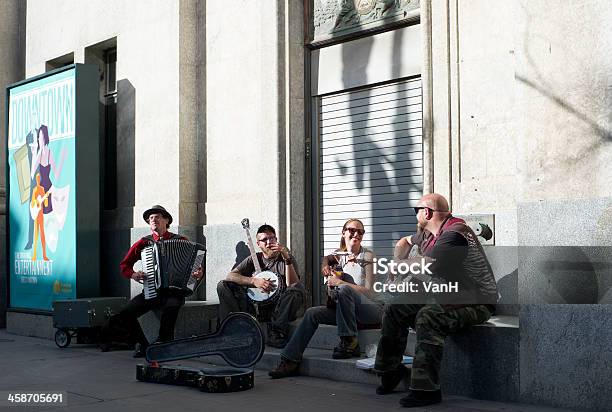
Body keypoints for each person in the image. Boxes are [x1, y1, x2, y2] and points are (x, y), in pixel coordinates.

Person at [374, 193, 498, 408]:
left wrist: (398, 266)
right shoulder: (430, 233)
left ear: (427, 213)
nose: (416, 215)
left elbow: (429, 263)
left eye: (417, 210)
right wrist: (397, 260)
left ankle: (426, 389)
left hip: (477, 301)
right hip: (448, 294)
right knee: (395, 307)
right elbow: (403, 241)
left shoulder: (455, 234)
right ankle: (390, 371)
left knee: (428, 316)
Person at [269, 218, 384, 379]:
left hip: (370, 309)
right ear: (343, 233)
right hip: (347, 312)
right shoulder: (337, 257)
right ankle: (289, 360)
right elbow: (329, 258)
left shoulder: (368, 256)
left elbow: (371, 292)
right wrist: (327, 273)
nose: (356, 234)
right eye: (352, 230)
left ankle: (349, 341)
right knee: (311, 313)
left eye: (360, 232)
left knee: (344, 288)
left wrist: (340, 282)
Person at [100, 205, 203, 357]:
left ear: (166, 220)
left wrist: (198, 273)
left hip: (175, 291)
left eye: (157, 217)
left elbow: (196, 267)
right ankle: (143, 345)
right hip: (152, 291)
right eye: (151, 218)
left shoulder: (181, 240)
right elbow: (124, 265)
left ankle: (164, 343)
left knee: (172, 305)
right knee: (127, 313)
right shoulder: (143, 243)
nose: (154, 220)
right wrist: (134, 274)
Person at [217, 224, 305, 348]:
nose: (269, 242)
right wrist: (254, 281)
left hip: (279, 309)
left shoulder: (286, 258)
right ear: (258, 244)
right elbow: (230, 276)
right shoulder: (254, 259)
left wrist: (287, 258)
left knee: (297, 289)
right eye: (264, 240)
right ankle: (235, 328)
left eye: (272, 238)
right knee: (223, 286)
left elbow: (293, 284)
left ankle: (276, 332)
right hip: (255, 307)